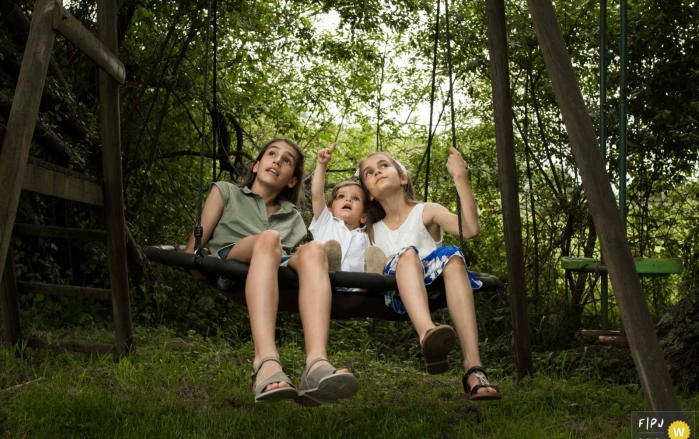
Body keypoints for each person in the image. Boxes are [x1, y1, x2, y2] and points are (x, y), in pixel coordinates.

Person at [184, 138, 358, 406]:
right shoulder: (225, 192)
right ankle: (265, 361)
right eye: (272, 154)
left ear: (291, 180)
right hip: (230, 263)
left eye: (286, 160)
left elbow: (286, 257)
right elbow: (191, 250)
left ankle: (316, 364)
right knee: (268, 238)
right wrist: (197, 263)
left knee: (315, 250)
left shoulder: (292, 216)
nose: (277, 160)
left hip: (273, 267)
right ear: (256, 165)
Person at [358, 148, 501, 400]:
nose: (377, 171)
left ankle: (474, 368)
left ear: (403, 178)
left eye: (383, 166)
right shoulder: (369, 230)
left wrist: (460, 178)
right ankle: (427, 333)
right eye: (369, 172)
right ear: (369, 193)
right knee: (408, 255)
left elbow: (469, 229)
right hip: (392, 292)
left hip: (432, 285)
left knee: (453, 257)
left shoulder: (427, 211)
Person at [310, 142, 385, 274]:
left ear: (363, 217)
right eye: (341, 197)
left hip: (355, 287)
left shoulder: (367, 237)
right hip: (321, 280)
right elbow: (316, 195)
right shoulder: (325, 222)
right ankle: (330, 267)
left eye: (356, 199)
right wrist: (322, 165)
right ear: (329, 209)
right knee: (327, 253)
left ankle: (372, 279)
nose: (348, 199)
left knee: (373, 257)